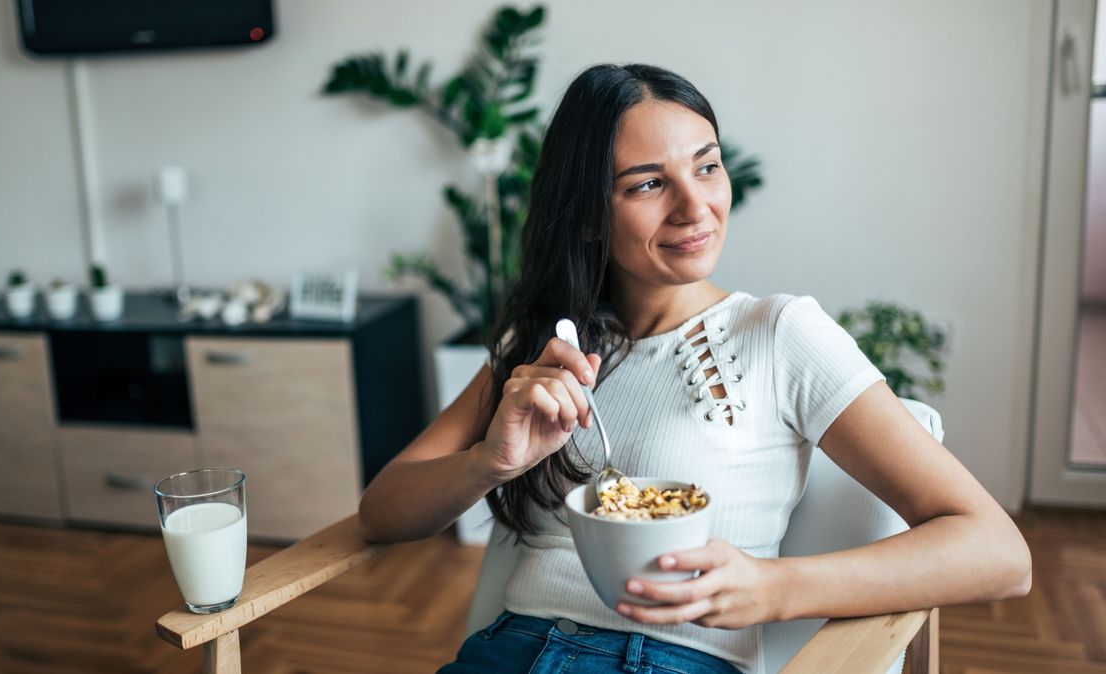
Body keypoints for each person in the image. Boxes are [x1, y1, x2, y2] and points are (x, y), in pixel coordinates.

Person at [358, 63, 1032, 674]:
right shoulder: (542, 348)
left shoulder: (778, 333)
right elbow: (382, 512)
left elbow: (998, 554)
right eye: (648, 183)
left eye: (706, 167)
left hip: (662, 661)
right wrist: (491, 462)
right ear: (589, 217)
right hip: (501, 654)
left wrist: (773, 589)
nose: (694, 207)